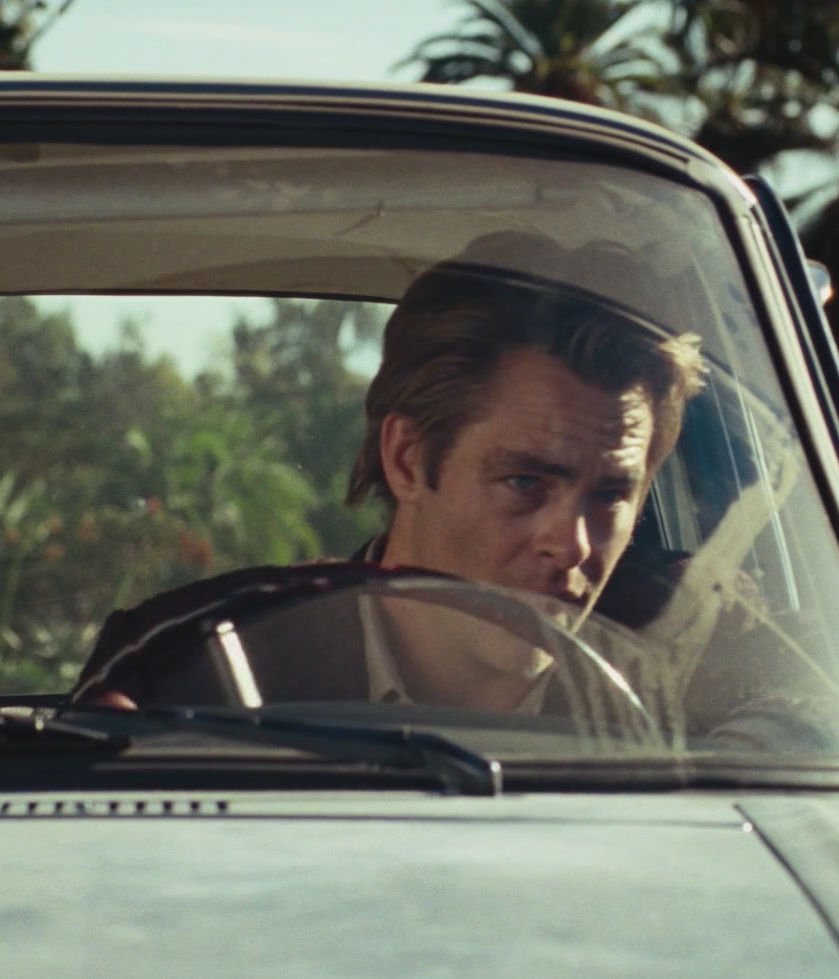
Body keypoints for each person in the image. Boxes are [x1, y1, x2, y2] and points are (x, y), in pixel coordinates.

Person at [73, 234, 705, 712]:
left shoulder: (697, 666)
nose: (572, 544)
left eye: (610, 495)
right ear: (407, 459)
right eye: (524, 483)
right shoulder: (193, 668)